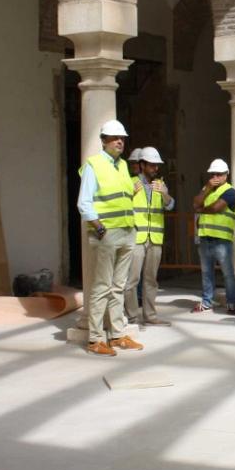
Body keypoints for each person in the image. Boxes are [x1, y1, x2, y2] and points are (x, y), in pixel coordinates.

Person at [75, 119, 144, 356]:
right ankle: (95, 338)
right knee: (102, 286)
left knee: (118, 286)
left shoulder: (123, 166)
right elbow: (84, 203)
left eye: (122, 138)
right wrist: (99, 227)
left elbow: (121, 197)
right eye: (115, 138)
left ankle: (116, 335)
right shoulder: (94, 165)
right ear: (103, 141)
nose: (119, 142)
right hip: (106, 233)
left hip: (126, 231)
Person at [125, 146, 173, 326]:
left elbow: (170, 205)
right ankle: (131, 317)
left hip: (155, 239)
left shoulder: (160, 185)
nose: (155, 169)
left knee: (151, 280)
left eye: (157, 166)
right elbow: (121, 206)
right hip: (136, 238)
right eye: (152, 165)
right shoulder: (131, 183)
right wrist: (131, 193)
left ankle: (150, 316)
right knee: (132, 280)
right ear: (142, 165)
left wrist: (165, 194)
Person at [192, 158, 235, 314]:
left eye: (219, 174)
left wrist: (201, 209)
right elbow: (195, 203)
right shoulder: (208, 189)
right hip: (205, 237)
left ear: (226, 175)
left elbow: (215, 208)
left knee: (227, 274)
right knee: (206, 273)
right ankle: (207, 301)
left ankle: (231, 303)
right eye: (213, 174)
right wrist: (206, 190)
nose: (215, 177)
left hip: (222, 240)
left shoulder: (230, 192)